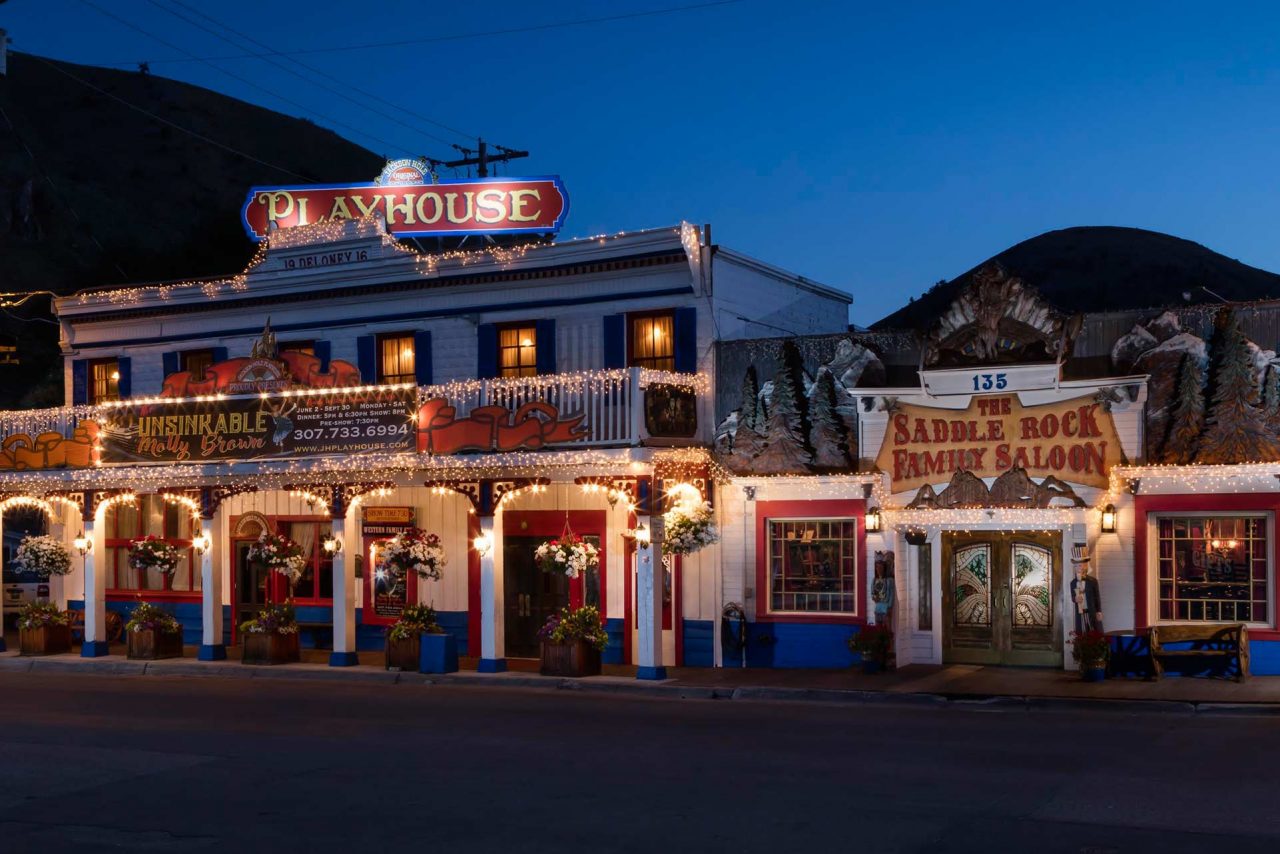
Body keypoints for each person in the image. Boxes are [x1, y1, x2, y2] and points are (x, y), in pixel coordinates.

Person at [1070, 557, 1103, 634]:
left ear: (1085, 566)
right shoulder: (1073, 583)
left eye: (1080, 565)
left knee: (1093, 631)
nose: (1078, 568)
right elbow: (1072, 596)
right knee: (1081, 632)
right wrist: (1075, 599)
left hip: (1091, 611)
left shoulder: (1092, 581)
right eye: (1075, 566)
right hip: (1080, 612)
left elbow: (1096, 597)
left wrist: (1099, 611)